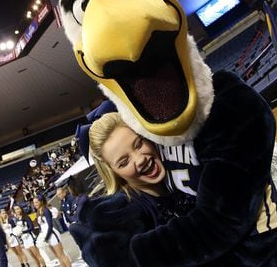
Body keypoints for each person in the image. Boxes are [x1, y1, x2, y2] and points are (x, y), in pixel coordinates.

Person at [70, 112, 195, 266]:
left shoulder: (183, 169)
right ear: (113, 171)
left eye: (139, 144)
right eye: (124, 162)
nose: (140, 159)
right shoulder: (124, 212)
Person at [33, 195, 72, 267]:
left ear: (41, 202)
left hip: (52, 234)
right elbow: (41, 227)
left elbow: (50, 225)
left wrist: (46, 238)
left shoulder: (46, 210)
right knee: (57, 256)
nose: (35, 204)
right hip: (46, 235)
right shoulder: (38, 211)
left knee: (61, 254)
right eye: (34, 202)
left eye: (36, 202)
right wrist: (41, 236)